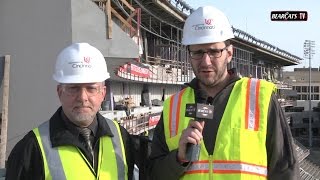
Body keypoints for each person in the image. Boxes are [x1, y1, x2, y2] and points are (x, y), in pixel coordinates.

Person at [148, 6, 299, 180]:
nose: (206, 61)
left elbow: (285, 170)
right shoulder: (173, 106)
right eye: (198, 52)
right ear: (189, 54)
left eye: (214, 51)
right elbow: (153, 174)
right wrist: (178, 158)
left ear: (229, 53)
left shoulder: (259, 98)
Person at [6, 43, 135, 179]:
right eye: (73, 88)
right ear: (59, 92)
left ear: (103, 93)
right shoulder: (31, 150)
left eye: (91, 88)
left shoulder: (121, 137)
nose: (82, 98)